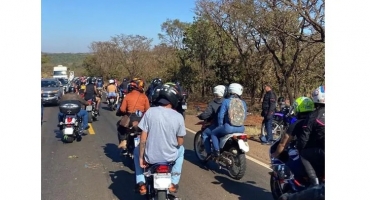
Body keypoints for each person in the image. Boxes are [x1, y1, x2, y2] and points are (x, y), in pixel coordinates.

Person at [134, 83, 186, 195]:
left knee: (136, 150)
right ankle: (174, 182)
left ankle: (141, 183)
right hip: (170, 157)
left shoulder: (150, 112)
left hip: (151, 157)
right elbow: (180, 142)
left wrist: (141, 158)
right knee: (181, 150)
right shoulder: (179, 117)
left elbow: (143, 139)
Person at [209, 83, 248, 157]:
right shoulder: (243, 103)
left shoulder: (226, 101)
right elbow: (244, 116)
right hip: (241, 128)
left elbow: (220, 116)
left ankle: (216, 151)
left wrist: (220, 126)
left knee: (213, 133)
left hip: (228, 128)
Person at [298, 86, 325, 186]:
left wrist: (299, 148)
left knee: (303, 154)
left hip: (323, 151)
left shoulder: (314, 115)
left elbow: (304, 137)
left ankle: (314, 183)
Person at [118, 78, 150, 153]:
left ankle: (123, 143)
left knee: (120, 128)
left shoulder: (128, 96)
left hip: (130, 119)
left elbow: (122, 109)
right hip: (142, 120)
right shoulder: (144, 97)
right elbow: (148, 110)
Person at [197, 85, 227, 158]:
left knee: (205, 134)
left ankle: (209, 153)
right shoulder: (228, 101)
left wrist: (200, 116)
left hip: (218, 126)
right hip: (229, 125)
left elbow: (206, 114)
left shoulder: (213, 103)